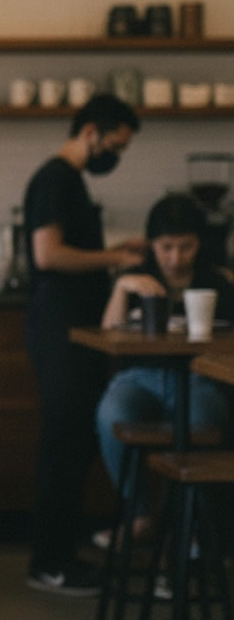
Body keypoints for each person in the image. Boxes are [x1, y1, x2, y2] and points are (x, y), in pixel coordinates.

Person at [23, 94, 145, 595]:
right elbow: (48, 255)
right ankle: (50, 564)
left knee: (74, 444)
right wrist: (114, 257)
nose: (114, 156)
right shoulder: (55, 179)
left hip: (74, 329)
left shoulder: (68, 182)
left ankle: (60, 558)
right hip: (60, 329)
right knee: (64, 443)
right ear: (92, 131)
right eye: (114, 145)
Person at [94, 193, 234, 544]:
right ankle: (140, 514)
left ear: (200, 243)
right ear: (152, 244)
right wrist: (123, 288)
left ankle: (186, 528)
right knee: (111, 412)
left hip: (199, 377)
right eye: (166, 246)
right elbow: (108, 333)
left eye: (186, 246)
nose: (175, 258)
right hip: (141, 376)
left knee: (204, 419)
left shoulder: (217, 282)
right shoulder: (138, 279)